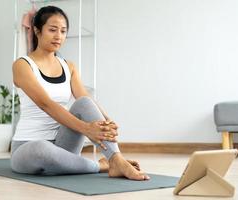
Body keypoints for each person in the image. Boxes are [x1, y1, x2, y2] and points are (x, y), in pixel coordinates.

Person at [10, 5, 149, 181]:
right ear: (37, 31)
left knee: (84, 103)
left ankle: (116, 160)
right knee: (41, 149)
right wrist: (86, 129)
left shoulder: (69, 66)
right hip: (28, 147)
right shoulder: (22, 65)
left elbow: (85, 99)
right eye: (52, 30)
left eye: (63, 31)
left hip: (64, 144)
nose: (58, 36)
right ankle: (99, 166)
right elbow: (46, 104)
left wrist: (107, 120)